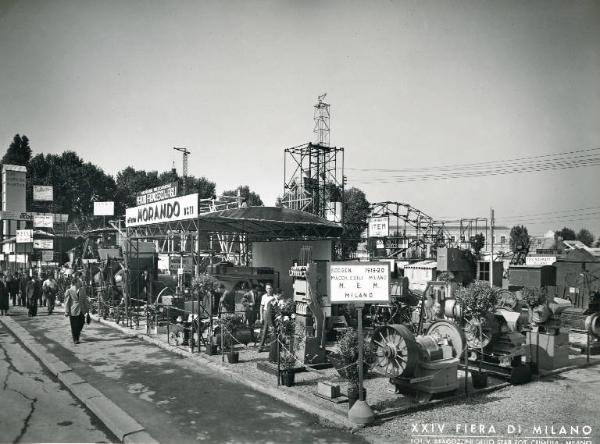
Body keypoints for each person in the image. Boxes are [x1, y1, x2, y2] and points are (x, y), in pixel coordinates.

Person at [63, 275, 90, 344]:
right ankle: (75, 338)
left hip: (82, 309)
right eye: (79, 281)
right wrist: (66, 311)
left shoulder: (82, 289)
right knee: (74, 325)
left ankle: (77, 334)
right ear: (75, 283)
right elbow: (67, 302)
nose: (80, 282)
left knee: (81, 323)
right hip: (73, 310)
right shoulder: (69, 290)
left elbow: (85, 300)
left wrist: (87, 309)